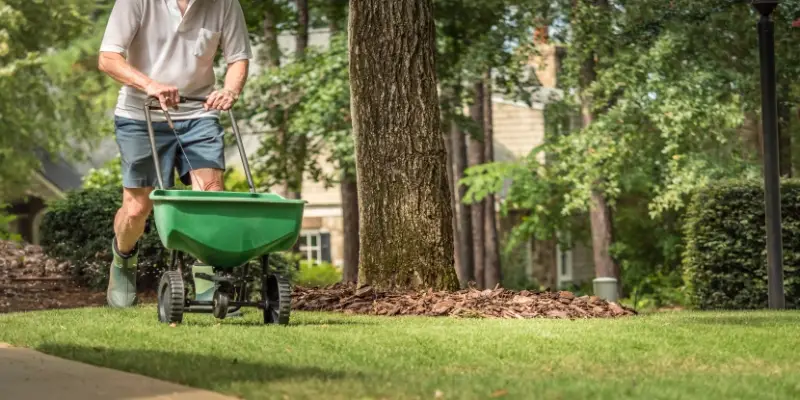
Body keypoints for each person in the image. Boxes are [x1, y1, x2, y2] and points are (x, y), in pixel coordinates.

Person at [98, 0, 252, 308]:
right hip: (140, 115)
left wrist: (230, 90)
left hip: (199, 113)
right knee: (136, 208)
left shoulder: (224, 4)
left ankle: (208, 281)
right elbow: (108, 59)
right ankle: (123, 259)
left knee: (209, 196)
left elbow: (238, 58)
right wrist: (150, 84)